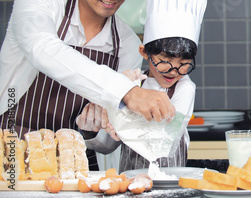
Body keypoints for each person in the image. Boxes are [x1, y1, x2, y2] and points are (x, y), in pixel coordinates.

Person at [0, 0, 176, 171]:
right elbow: (41, 48)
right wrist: (127, 92)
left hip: (74, 162)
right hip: (11, 146)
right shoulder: (39, 4)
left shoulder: (127, 44)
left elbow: (108, 144)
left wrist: (92, 131)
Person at [80, 0, 207, 172]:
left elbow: (166, 139)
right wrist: (95, 126)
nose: (173, 71)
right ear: (144, 53)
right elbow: (106, 146)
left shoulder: (184, 88)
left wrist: (122, 120)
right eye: (165, 61)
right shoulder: (133, 84)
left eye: (184, 63)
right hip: (130, 182)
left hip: (169, 182)